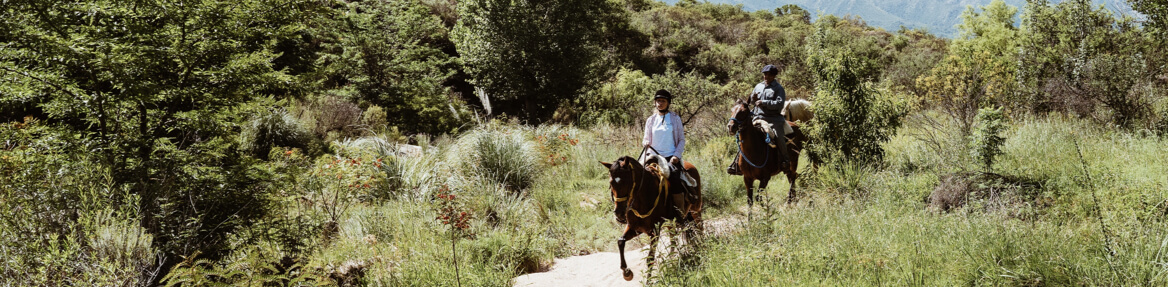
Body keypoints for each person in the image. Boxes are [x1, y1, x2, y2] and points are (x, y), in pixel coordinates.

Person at [728, 64, 790, 175]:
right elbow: (751, 101)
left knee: (778, 136)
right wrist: (753, 100)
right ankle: (738, 163)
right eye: (765, 74)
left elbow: (779, 104)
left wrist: (764, 102)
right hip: (757, 116)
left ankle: (785, 161)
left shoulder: (778, 88)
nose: (766, 77)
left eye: (769, 75)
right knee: (745, 136)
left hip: (773, 119)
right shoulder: (758, 86)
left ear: (774, 76)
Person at [641, 89, 695, 212]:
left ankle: (679, 212)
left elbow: (681, 140)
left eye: (663, 101)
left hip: (670, 157)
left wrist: (676, 155)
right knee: (638, 177)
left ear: (668, 103)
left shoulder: (675, 119)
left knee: (675, 180)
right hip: (652, 156)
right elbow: (645, 138)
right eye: (658, 101)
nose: (660, 103)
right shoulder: (651, 120)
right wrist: (645, 142)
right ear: (655, 103)